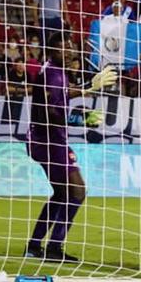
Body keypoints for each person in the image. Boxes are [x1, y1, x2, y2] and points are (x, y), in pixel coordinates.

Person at [23, 33, 118, 262]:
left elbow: (60, 96)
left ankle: (34, 246)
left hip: (40, 138)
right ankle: (54, 248)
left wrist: (87, 88)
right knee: (77, 191)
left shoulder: (52, 71)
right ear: (51, 51)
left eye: (70, 47)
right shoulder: (55, 76)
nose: (68, 52)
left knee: (61, 193)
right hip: (50, 141)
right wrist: (80, 119)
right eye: (62, 48)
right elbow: (52, 111)